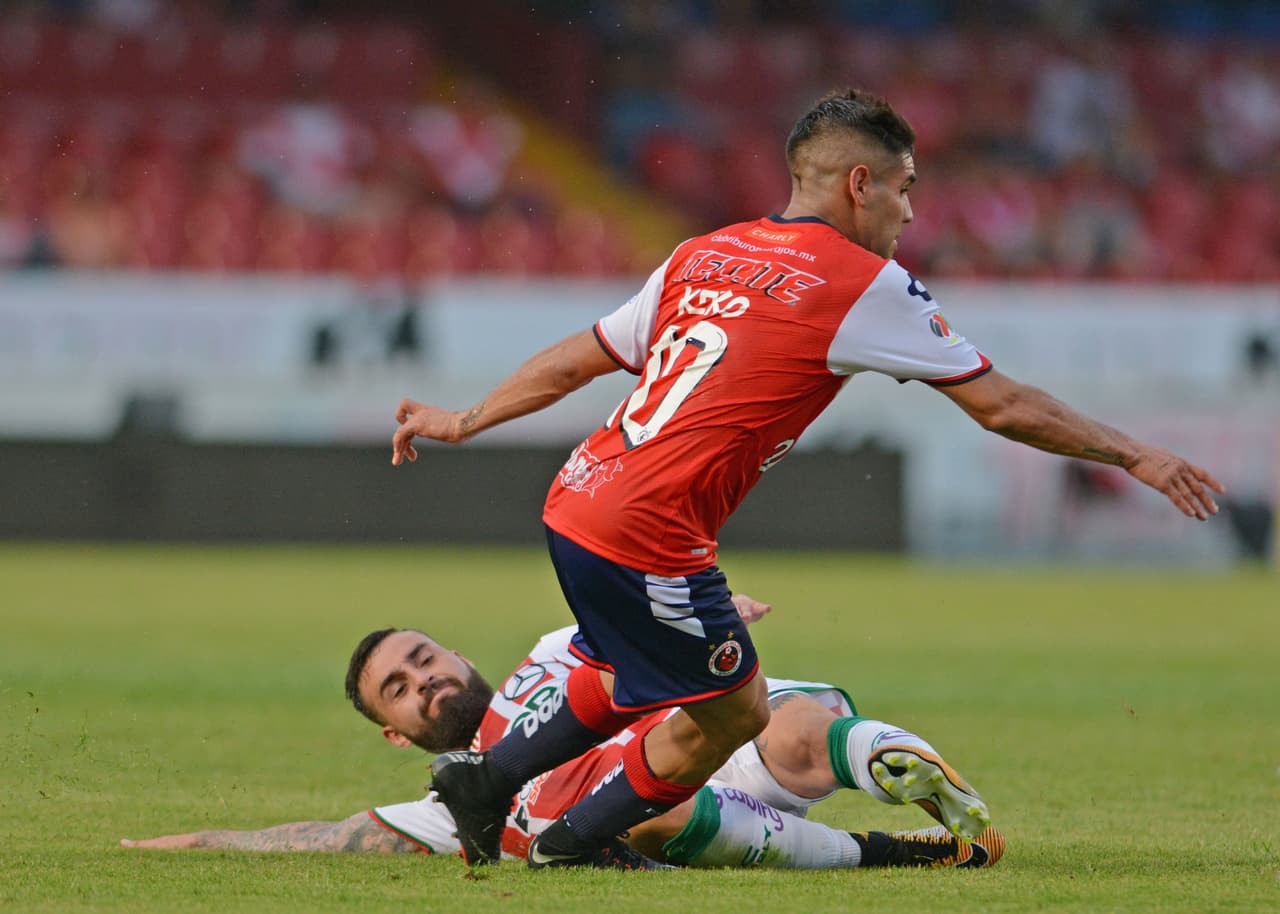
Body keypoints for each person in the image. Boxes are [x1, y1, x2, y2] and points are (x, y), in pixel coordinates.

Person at [389, 88, 1225, 870]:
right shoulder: (862, 280)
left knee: (619, 667)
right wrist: (1134, 453)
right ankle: (568, 840)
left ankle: (493, 784)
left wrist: (466, 420)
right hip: (649, 530)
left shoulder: (704, 251)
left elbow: (584, 355)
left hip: (577, 498)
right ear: (860, 183)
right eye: (904, 188)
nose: (910, 211)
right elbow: (1000, 404)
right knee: (736, 711)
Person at [122, 597, 1005, 870]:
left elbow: (648, 619)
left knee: (793, 731)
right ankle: (901, 838)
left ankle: (893, 782)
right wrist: (159, 844)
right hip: (679, 791)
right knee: (646, 808)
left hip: (721, 727)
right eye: (398, 688)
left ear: (459, 655)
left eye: (424, 659)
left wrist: (706, 612)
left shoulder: (552, 653)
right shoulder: (448, 808)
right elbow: (310, 841)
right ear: (395, 734)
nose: (425, 680)